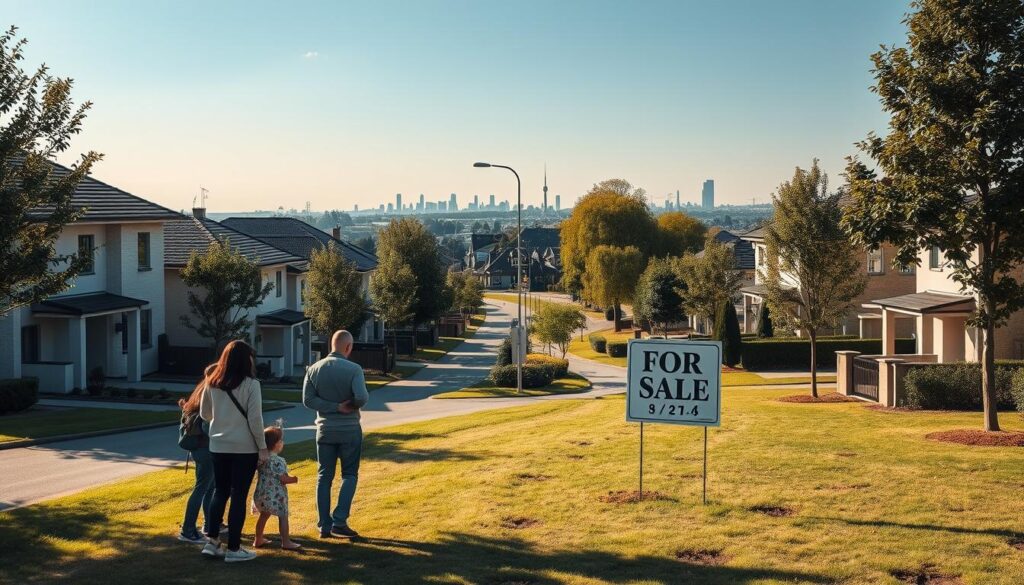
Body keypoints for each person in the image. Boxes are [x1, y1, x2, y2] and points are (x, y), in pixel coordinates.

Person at [199, 340, 268, 562]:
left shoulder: (212, 382)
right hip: (244, 447)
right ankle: (235, 548)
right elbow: (256, 420)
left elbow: (205, 415)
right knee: (238, 494)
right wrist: (263, 447)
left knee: (220, 492)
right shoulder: (251, 385)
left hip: (218, 446)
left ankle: (212, 542)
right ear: (245, 360)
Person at [303, 330, 369, 539]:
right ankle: (339, 520)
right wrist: (345, 406)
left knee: (324, 476)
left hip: (324, 429)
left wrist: (332, 407)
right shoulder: (354, 369)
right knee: (349, 474)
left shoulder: (314, 369)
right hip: (349, 429)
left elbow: (308, 400)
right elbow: (362, 397)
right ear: (348, 347)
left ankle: (324, 524)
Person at [177, 365, 216, 544]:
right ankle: (188, 529)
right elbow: (209, 427)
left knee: (208, 487)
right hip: (206, 448)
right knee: (203, 488)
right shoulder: (210, 394)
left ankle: (209, 524)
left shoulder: (199, 393)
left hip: (198, 449)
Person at [251, 423, 302, 551]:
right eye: (281, 440)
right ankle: (286, 541)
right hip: (276, 496)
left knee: (264, 515)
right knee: (283, 516)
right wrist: (294, 479)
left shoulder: (261, 458)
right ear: (276, 444)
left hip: (261, 494)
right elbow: (283, 479)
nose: (282, 443)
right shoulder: (278, 461)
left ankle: (258, 539)